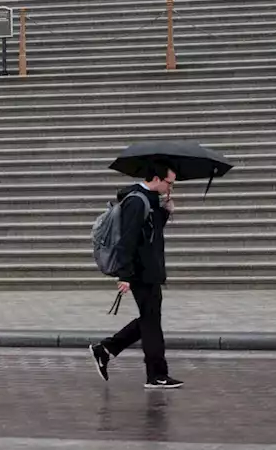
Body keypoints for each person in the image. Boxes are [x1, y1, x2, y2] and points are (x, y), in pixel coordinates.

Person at [88, 162, 183, 389]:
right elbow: (127, 240)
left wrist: (165, 212)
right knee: (151, 322)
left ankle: (106, 349)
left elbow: (150, 233)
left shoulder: (149, 199)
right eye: (170, 183)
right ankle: (156, 375)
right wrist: (125, 276)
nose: (171, 187)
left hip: (149, 270)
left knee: (150, 319)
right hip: (140, 272)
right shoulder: (135, 200)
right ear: (157, 178)